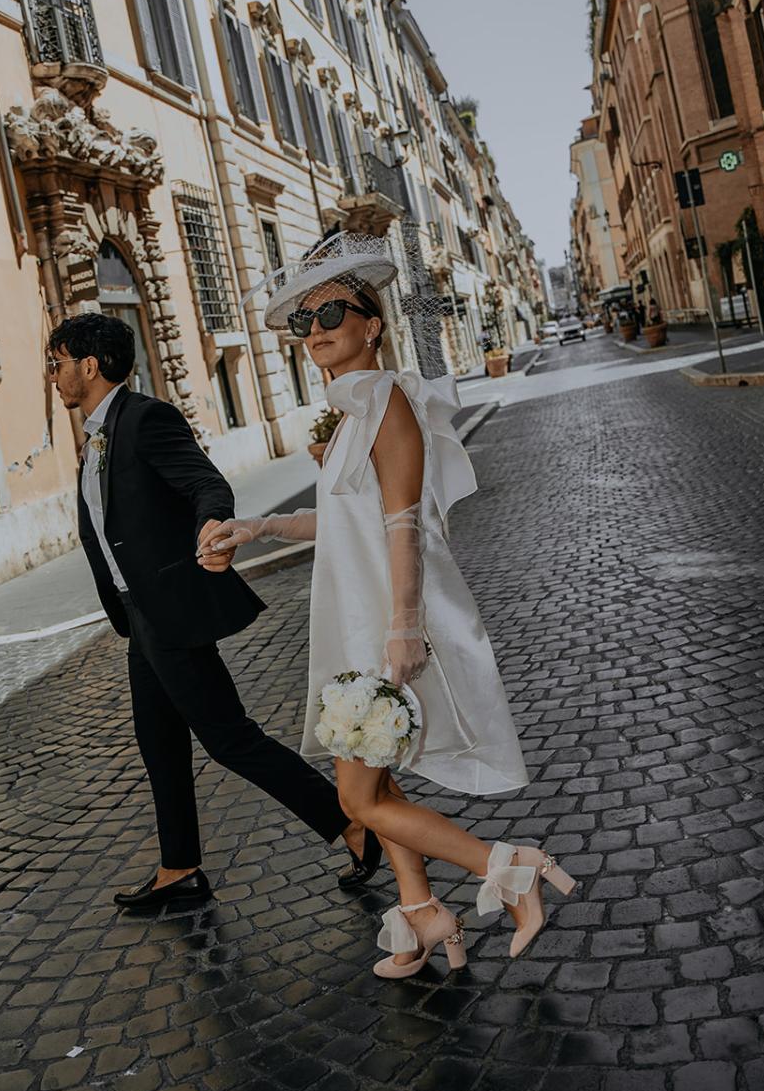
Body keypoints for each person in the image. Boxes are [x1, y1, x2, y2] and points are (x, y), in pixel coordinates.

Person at [201, 234, 575, 976]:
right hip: (357, 620)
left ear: (372, 322)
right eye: (302, 322)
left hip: (385, 623)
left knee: (359, 798)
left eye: (331, 311)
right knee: (377, 774)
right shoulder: (354, 411)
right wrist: (262, 525)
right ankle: (422, 914)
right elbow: (348, 519)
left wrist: (405, 629)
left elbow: (404, 521)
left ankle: (512, 869)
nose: (315, 330)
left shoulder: (388, 401)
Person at [48, 312, 381, 913]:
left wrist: (210, 523)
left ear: (89, 366)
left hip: (169, 613)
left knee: (228, 738)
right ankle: (180, 868)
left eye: (58, 362)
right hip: (140, 617)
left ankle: (351, 824)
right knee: (160, 743)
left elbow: (207, 482)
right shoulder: (99, 434)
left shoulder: (146, 418)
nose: (55, 376)